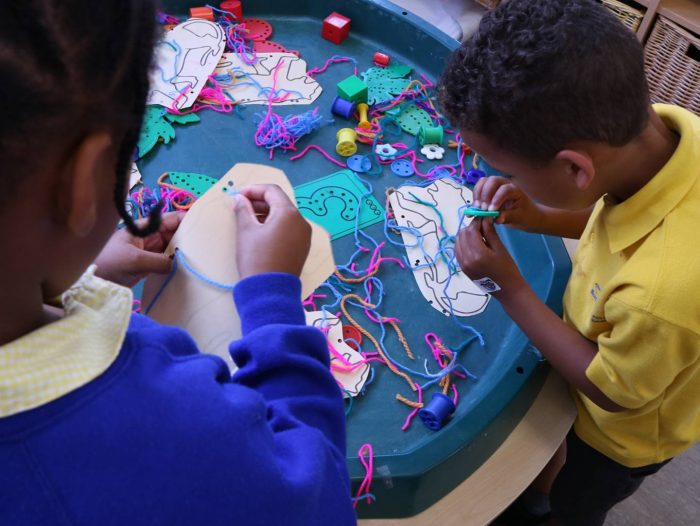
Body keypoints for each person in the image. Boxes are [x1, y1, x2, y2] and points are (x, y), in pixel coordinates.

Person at [0, 2, 355, 525]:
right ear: (84, 181)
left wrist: (78, 278)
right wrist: (273, 302)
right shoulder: (174, 428)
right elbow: (315, 496)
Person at [438, 0, 700, 524]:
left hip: (617, 439)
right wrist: (537, 214)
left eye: (509, 169)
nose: (500, 177)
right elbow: (610, 213)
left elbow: (611, 391)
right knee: (550, 454)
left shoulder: (660, 294)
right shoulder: (662, 141)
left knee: (575, 502)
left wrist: (508, 287)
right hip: (611, 334)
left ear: (576, 170)